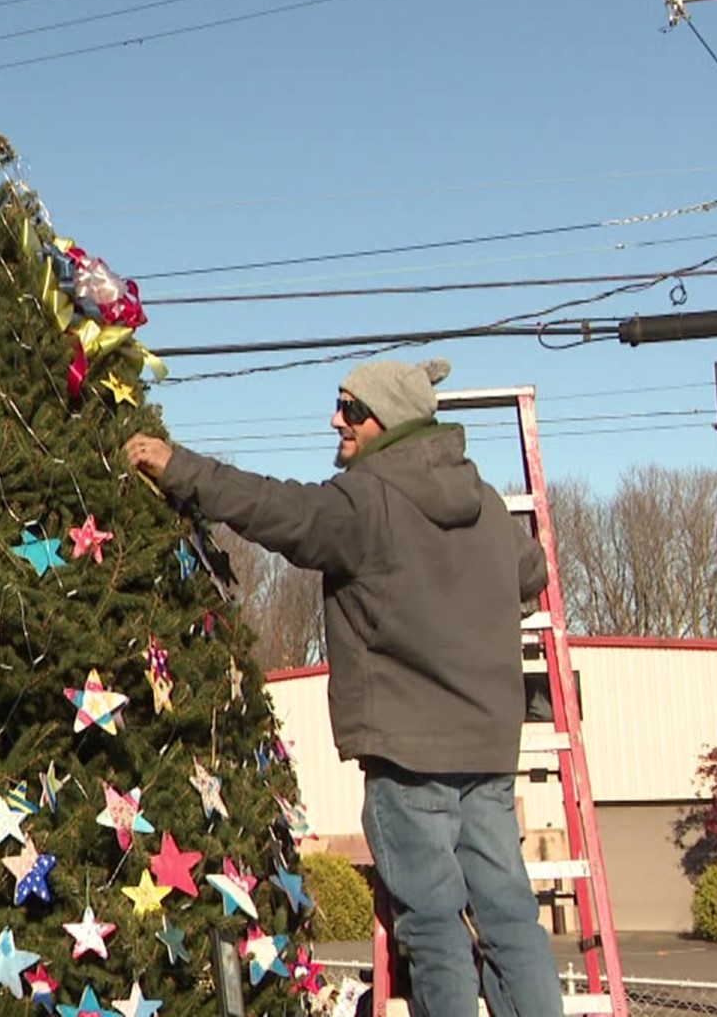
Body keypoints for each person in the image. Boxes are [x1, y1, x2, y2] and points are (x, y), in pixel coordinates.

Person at [125, 357, 562, 1017]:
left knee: (435, 927)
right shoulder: (488, 504)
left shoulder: (367, 501)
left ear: (386, 420)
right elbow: (529, 571)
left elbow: (275, 509)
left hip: (409, 757)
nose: (337, 419)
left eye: (350, 409)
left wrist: (180, 467)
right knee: (509, 919)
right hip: (489, 750)